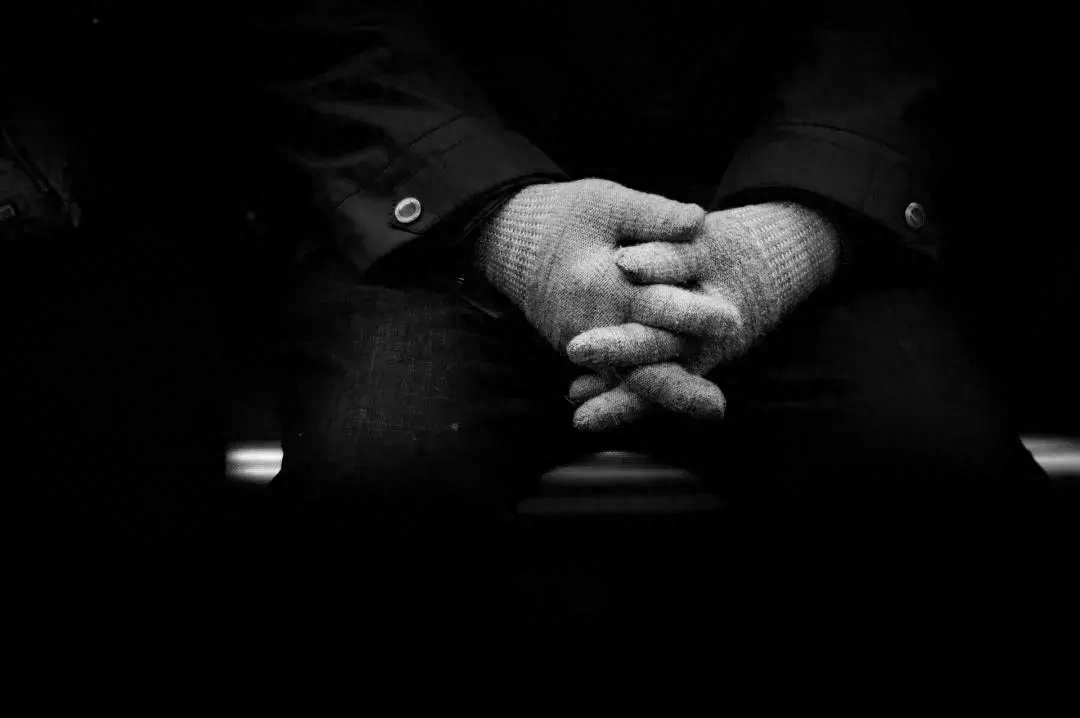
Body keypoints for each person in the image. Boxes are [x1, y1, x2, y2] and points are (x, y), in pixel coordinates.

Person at [222, 0, 1067, 634]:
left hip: (809, 201)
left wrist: (802, 227)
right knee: (381, 486)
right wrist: (502, 223)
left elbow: (915, 22)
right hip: (439, 228)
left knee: (924, 470)